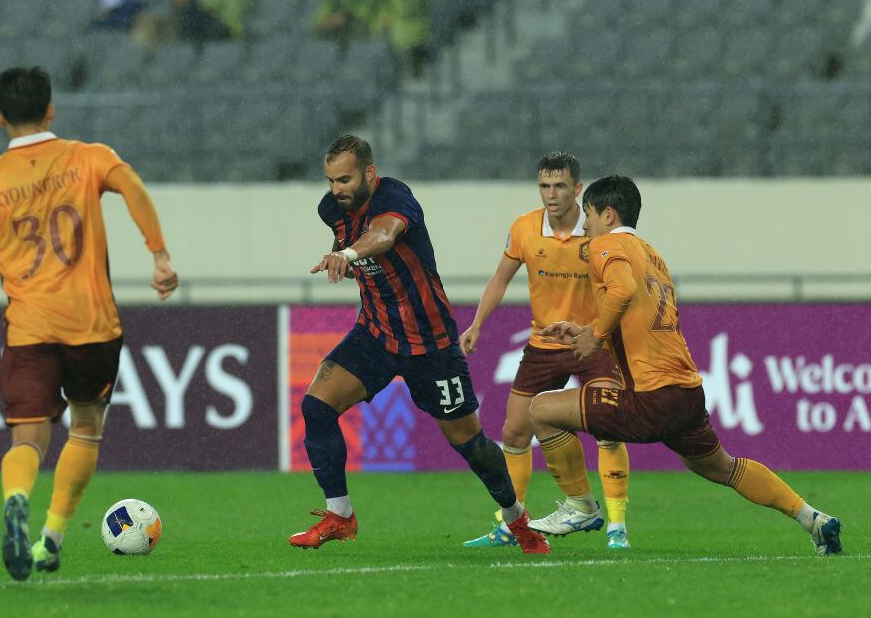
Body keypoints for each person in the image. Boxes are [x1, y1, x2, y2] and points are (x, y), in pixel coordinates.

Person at [526, 175, 842, 556]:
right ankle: (813, 519)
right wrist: (588, 329)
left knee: (541, 409)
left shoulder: (606, 245)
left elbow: (622, 292)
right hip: (686, 392)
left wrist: (593, 338)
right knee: (721, 467)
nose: (585, 225)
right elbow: (636, 314)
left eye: (589, 215)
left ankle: (580, 506)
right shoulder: (651, 254)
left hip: (650, 395)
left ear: (608, 215)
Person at [0, 67, 179, 581]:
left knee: (27, 441)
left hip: (30, 329)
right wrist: (160, 256)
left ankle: (16, 499)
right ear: (51, 110)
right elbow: (134, 188)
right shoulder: (89, 157)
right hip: (93, 326)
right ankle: (50, 539)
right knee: (85, 428)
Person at [290, 134, 550, 555]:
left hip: (431, 344)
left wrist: (350, 255)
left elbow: (384, 236)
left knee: (471, 444)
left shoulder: (396, 198)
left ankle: (518, 521)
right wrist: (342, 259)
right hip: (375, 334)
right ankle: (340, 516)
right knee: (316, 408)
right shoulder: (331, 211)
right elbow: (366, 260)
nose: (335, 189)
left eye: (344, 180)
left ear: (369, 175)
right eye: (330, 180)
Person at [460, 152, 632, 551]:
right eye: (544, 186)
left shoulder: (597, 231)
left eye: (559, 187)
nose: (551, 195)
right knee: (514, 432)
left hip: (592, 342)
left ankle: (617, 525)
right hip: (543, 343)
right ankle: (510, 523)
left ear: (577, 188)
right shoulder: (523, 228)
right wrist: (478, 324)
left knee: (608, 427)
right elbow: (500, 279)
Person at [312, 0, 381, 44]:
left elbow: (366, 9)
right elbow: (328, 4)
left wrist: (345, 16)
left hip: (364, 27)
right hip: (341, 26)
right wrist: (320, 22)